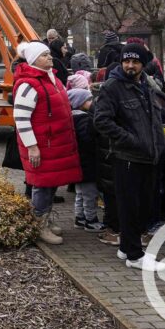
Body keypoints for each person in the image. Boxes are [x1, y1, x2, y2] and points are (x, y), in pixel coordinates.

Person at [93, 42, 165, 272]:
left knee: (144, 206)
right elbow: (102, 120)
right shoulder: (113, 87)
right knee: (130, 207)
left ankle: (126, 247)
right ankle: (135, 255)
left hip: (149, 156)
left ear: (143, 64)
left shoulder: (147, 84)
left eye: (135, 61)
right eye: (126, 61)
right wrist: (129, 140)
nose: (130, 65)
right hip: (127, 156)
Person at [11, 42, 82, 244]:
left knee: (50, 186)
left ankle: (46, 220)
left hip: (54, 145)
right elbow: (21, 118)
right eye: (44, 55)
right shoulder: (28, 84)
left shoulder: (51, 78)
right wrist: (32, 146)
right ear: (34, 60)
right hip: (41, 147)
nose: (50, 57)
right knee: (42, 186)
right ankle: (38, 224)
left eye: (49, 54)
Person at [69, 88, 102, 231]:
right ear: (79, 103)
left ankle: (80, 218)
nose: (92, 102)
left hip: (79, 163)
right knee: (90, 194)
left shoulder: (72, 118)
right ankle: (91, 220)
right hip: (87, 163)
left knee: (81, 193)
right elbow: (87, 140)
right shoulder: (83, 119)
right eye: (88, 100)